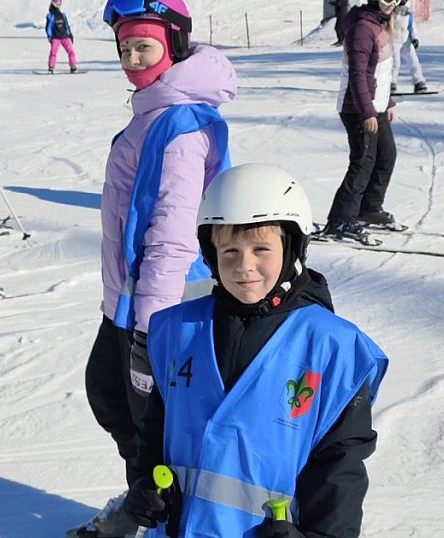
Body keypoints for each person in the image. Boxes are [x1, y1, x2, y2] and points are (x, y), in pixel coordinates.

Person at [122, 163, 388, 537]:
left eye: (261, 249)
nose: (244, 266)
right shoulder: (179, 331)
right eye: (229, 251)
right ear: (211, 253)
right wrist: (144, 482)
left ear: (292, 247)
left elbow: (339, 465)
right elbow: (158, 424)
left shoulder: (333, 349)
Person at [71, 1, 238, 536]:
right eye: (124, 48)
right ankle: (145, 504)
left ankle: (162, 519)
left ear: (175, 45)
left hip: (158, 305)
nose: (131, 59)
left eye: (144, 46)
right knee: (110, 396)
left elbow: (174, 229)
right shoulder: (156, 111)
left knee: (155, 431)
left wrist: (151, 325)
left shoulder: (181, 124)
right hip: (127, 298)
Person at [320, 0, 398, 245]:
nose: (392, 4)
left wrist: (388, 101)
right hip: (358, 108)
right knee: (363, 162)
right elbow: (358, 75)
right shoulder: (363, 28)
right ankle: (341, 220)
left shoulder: (379, 23)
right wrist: (366, 112)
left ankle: (369, 209)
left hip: (375, 106)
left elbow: (380, 72)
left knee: (386, 155)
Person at [391, 0, 427, 94]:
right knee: (395, 63)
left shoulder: (408, 13)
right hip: (394, 41)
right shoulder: (391, 12)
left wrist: (415, 38)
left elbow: (412, 27)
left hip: (406, 40)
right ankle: (391, 82)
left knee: (413, 61)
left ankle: (419, 81)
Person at [45, 0, 78, 74]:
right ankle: (51, 67)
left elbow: (66, 25)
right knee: (53, 52)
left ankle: (73, 66)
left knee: (71, 51)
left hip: (65, 37)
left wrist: (70, 34)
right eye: (57, 3)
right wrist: (50, 37)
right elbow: (48, 27)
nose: (59, 5)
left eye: (60, 3)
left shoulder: (63, 15)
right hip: (56, 38)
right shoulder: (50, 16)